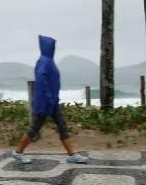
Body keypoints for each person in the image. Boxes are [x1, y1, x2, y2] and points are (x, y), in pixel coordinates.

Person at [10, 35, 88, 164]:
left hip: (52, 102)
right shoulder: (44, 61)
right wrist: (49, 98)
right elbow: (41, 81)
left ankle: (72, 155)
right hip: (46, 103)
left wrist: (53, 99)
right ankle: (17, 152)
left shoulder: (48, 61)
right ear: (47, 46)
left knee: (62, 126)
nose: (53, 48)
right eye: (52, 45)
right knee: (34, 129)